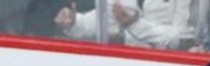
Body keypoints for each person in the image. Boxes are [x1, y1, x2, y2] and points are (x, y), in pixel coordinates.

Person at [55, 0, 193, 49]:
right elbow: (104, 19)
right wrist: (75, 23)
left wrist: (135, 25)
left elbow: (183, 38)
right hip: (127, 64)